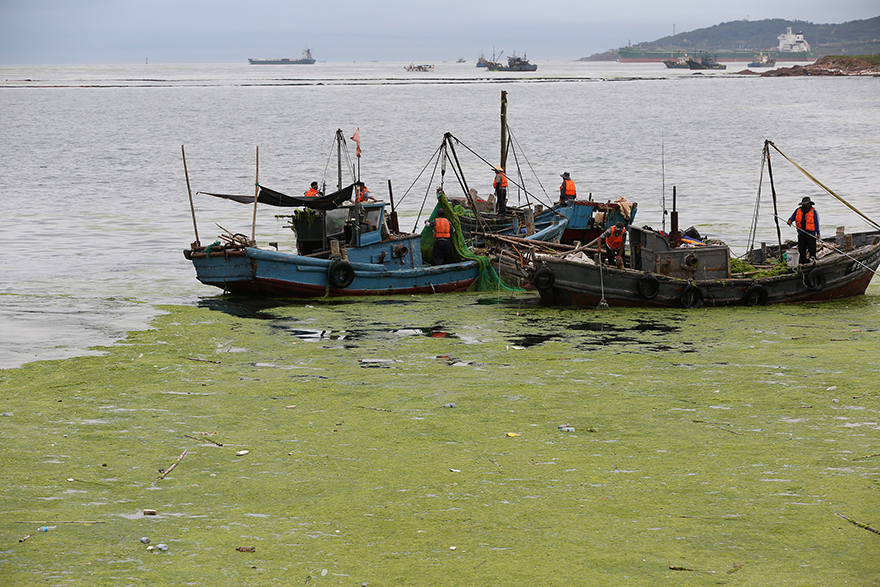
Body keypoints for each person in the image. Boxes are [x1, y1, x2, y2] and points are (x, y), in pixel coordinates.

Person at [787, 196, 820, 263]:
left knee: (812, 248)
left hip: (810, 234)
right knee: (802, 249)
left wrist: (818, 233)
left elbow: (816, 223)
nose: (807, 205)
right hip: (801, 233)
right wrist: (790, 221)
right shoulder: (798, 210)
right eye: (805, 204)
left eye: (808, 204)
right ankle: (803, 261)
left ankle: (813, 260)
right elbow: (792, 218)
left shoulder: (813, 212)